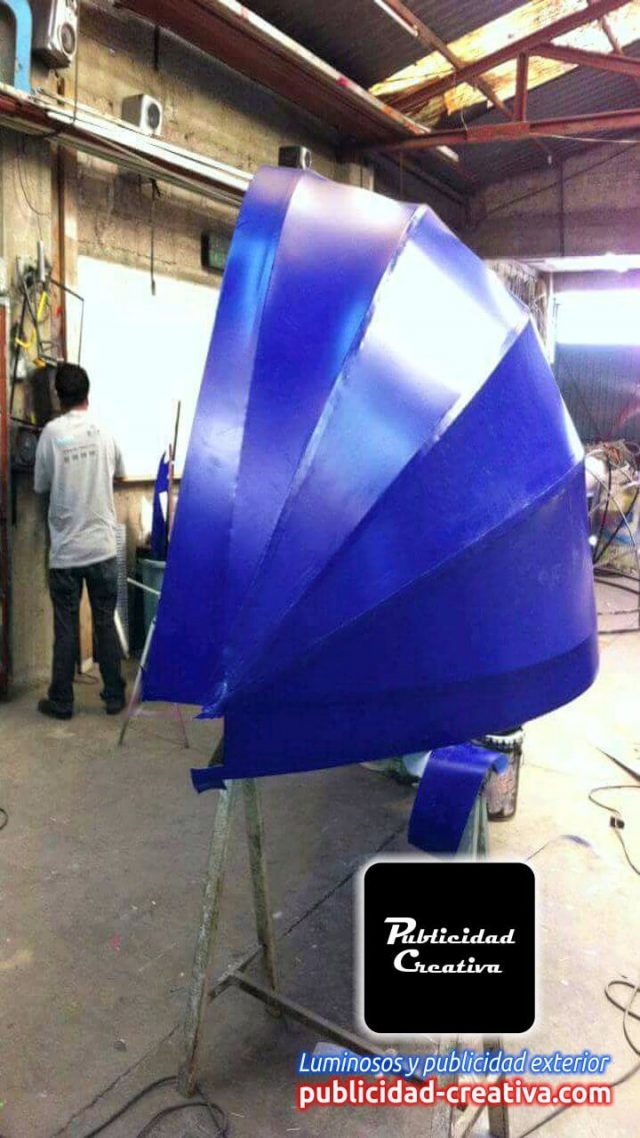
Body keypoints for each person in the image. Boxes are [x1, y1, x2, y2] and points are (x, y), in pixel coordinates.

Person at [34, 363, 126, 719]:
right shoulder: (104, 429)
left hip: (66, 551)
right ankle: (114, 695)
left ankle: (61, 701)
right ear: (88, 392)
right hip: (102, 547)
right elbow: (120, 473)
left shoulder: (51, 435)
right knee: (104, 621)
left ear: (59, 396)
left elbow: (41, 486)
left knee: (66, 627)